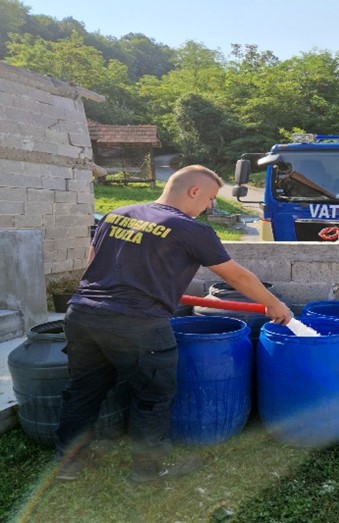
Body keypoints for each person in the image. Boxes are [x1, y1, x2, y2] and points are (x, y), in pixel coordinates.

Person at [55, 164, 292, 484]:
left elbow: (92, 258)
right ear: (193, 191)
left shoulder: (117, 213)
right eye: (209, 198)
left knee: (83, 389)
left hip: (82, 313)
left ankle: (69, 464)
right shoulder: (191, 229)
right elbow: (234, 276)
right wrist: (273, 304)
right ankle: (146, 473)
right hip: (139, 323)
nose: (209, 206)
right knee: (152, 396)